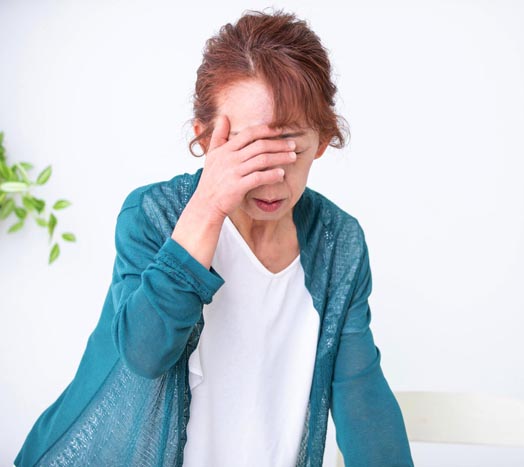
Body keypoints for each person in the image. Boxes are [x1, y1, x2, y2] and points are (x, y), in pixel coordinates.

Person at [14, 9, 413, 467]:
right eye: (247, 150)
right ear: (205, 139)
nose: (270, 177)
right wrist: (206, 207)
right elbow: (145, 354)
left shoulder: (338, 242)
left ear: (322, 141)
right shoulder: (153, 216)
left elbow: (363, 400)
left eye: (289, 148)